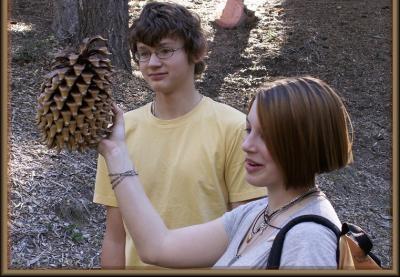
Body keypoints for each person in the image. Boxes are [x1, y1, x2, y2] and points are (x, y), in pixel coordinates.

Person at [97, 76, 354, 269]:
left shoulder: (307, 238)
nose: (247, 146)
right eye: (249, 129)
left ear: (304, 143)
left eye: (267, 137)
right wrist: (115, 152)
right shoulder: (257, 213)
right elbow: (158, 247)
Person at [93, 1, 267, 268]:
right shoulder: (119, 133)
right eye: (143, 53)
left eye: (165, 51)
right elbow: (116, 237)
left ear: (195, 53)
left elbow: (249, 237)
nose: (152, 63)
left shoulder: (234, 129)